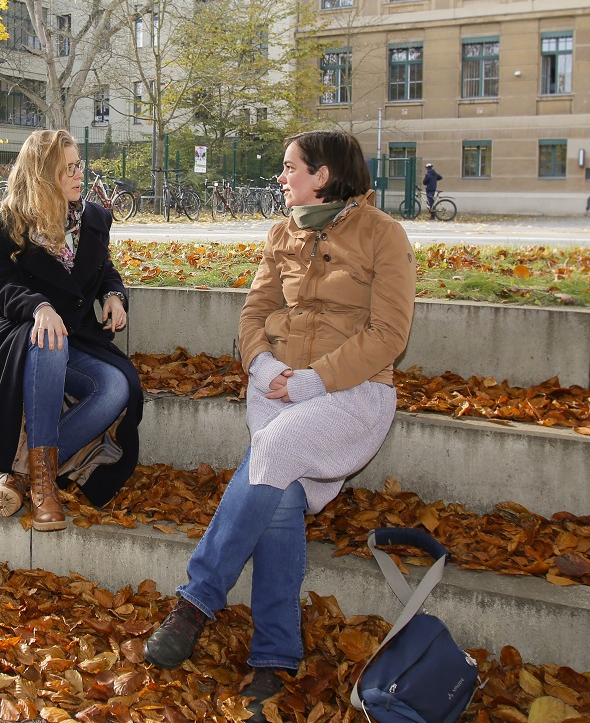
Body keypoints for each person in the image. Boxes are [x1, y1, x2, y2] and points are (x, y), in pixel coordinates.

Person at [142, 130, 416, 722]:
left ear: (323, 174)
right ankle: (275, 657)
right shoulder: (282, 232)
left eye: (290, 167)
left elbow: (390, 335)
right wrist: (261, 362)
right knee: (282, 495)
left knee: (273, 450)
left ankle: (195, 602)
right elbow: (255, 312)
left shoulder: (383, 235)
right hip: (275, 386)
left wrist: (314, 379)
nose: (281, 176)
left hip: (353, 394)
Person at [0, 129, 143, 531]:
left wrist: (113, 295)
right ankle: (44, 492)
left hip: (80, 339)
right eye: (67, 169)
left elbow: (104, 270)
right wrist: (38, 307)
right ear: (41, 176)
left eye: (79, 166)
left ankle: (24, 475)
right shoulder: (5, 226)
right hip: (19, 339)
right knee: (49, 341)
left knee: (116, 388)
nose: (78, 176)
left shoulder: (93, 219)